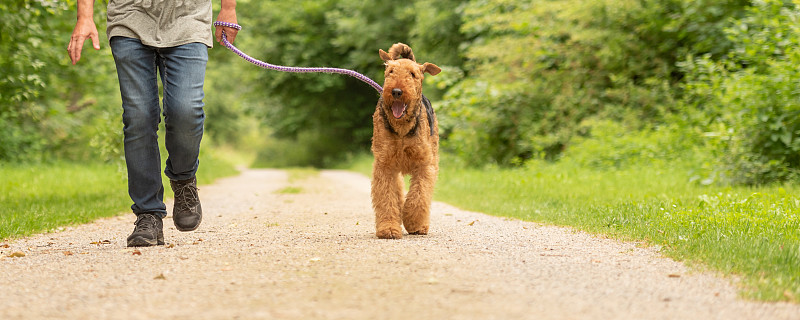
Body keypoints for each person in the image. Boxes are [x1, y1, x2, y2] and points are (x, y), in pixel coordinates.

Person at [67, 0, 239, 247]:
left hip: (188, 16)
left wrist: (229, 7)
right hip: (129, 16)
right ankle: (148, 214)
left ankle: (183, 179)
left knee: (186, 110)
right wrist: (85, 15)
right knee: (138, 117)